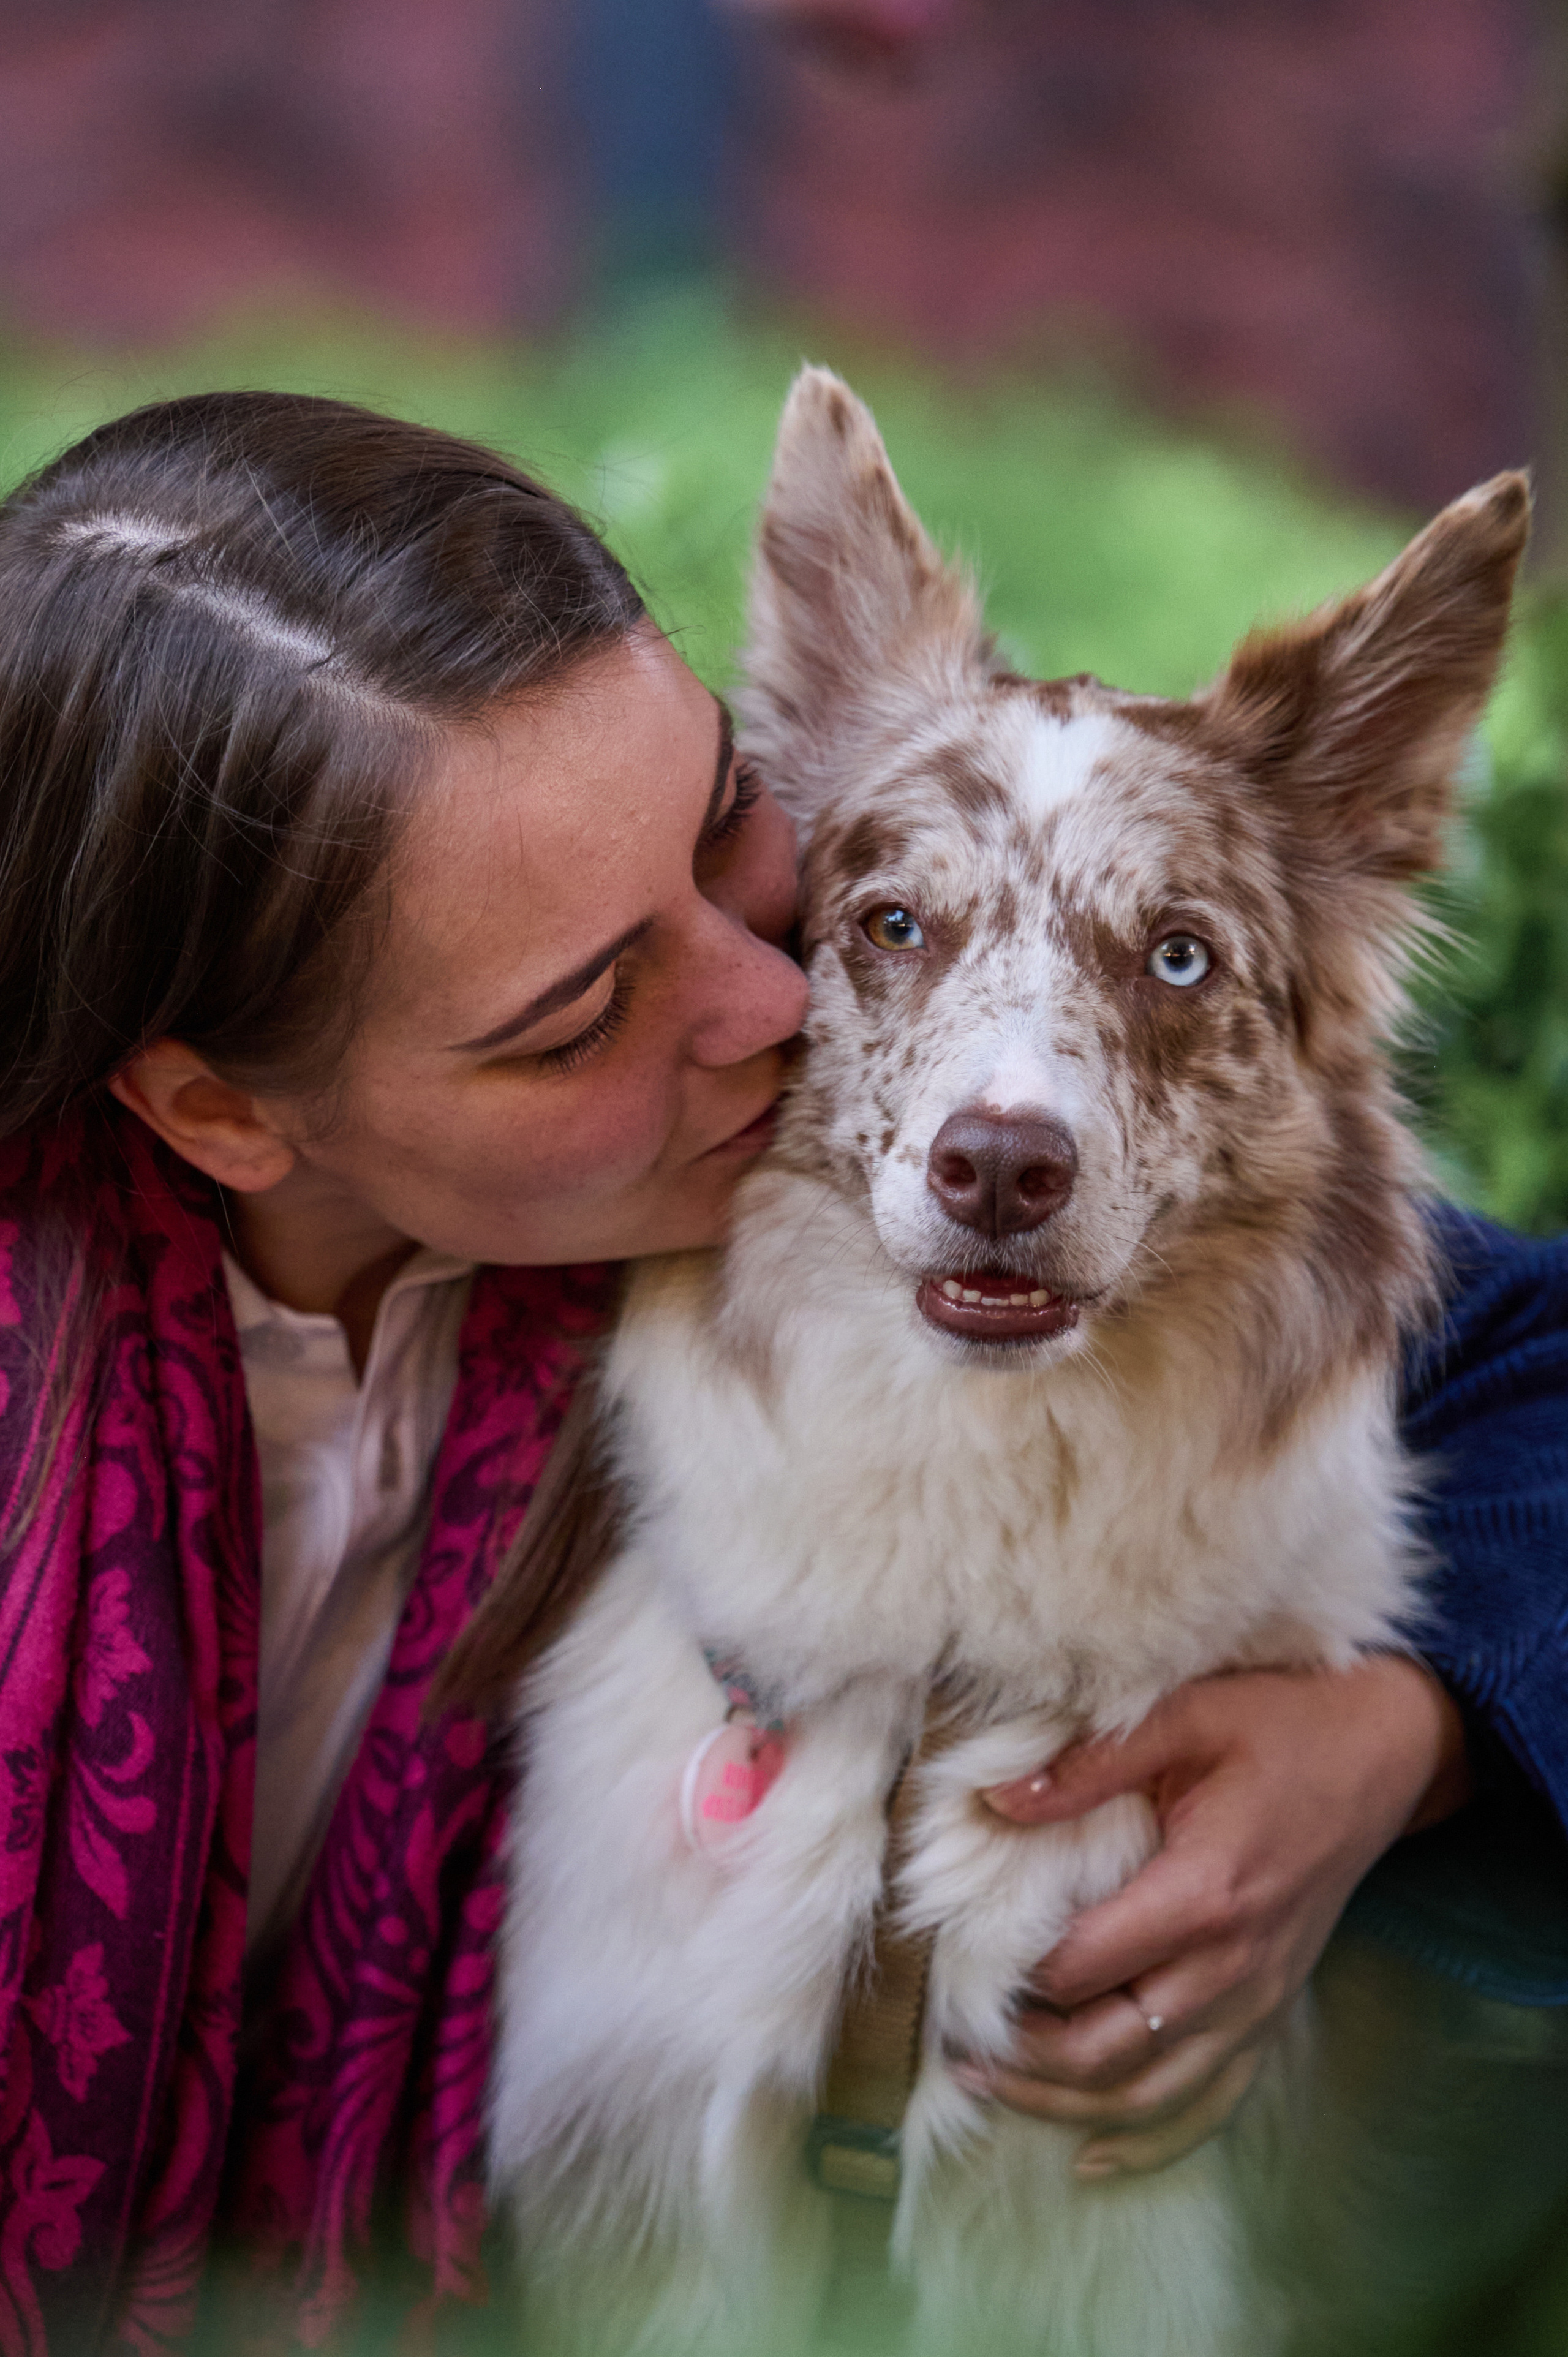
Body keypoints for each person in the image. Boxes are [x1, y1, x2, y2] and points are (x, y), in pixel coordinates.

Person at [0, 390, 1562, 2355]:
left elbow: (1527, 1354)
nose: (781, 998)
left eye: (736, 834)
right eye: (583, 1015)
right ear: (223, 1111)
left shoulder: (751, 1173)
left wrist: (1409, 1738)